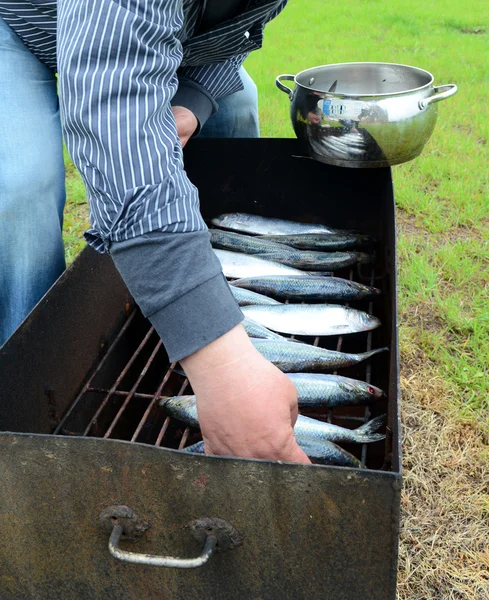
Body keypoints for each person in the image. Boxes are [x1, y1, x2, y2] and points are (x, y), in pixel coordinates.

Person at [0, 1, 311, 466]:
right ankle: (25, 415)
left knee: (236, 105)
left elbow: (239, 24)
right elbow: (113, 108)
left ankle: (201, 301)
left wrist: (196, 100)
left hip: (145, 35)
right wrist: (221, 366)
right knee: (20, 187)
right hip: (22, 22)